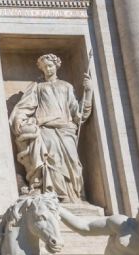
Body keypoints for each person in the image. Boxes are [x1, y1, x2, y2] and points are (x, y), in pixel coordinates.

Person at [10, 55, 93, 204]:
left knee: (73, 164)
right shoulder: (38, 87)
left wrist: (89, 92)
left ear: (56, 66)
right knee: (52, 161)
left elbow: (78, 115)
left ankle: (75, 195)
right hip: (45, 129)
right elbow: (26, 106)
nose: (48, 69)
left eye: (50, 66)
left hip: (65, 130)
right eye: (44, 67)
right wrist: (19, 118)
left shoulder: (66, 86)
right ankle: (55, 196)